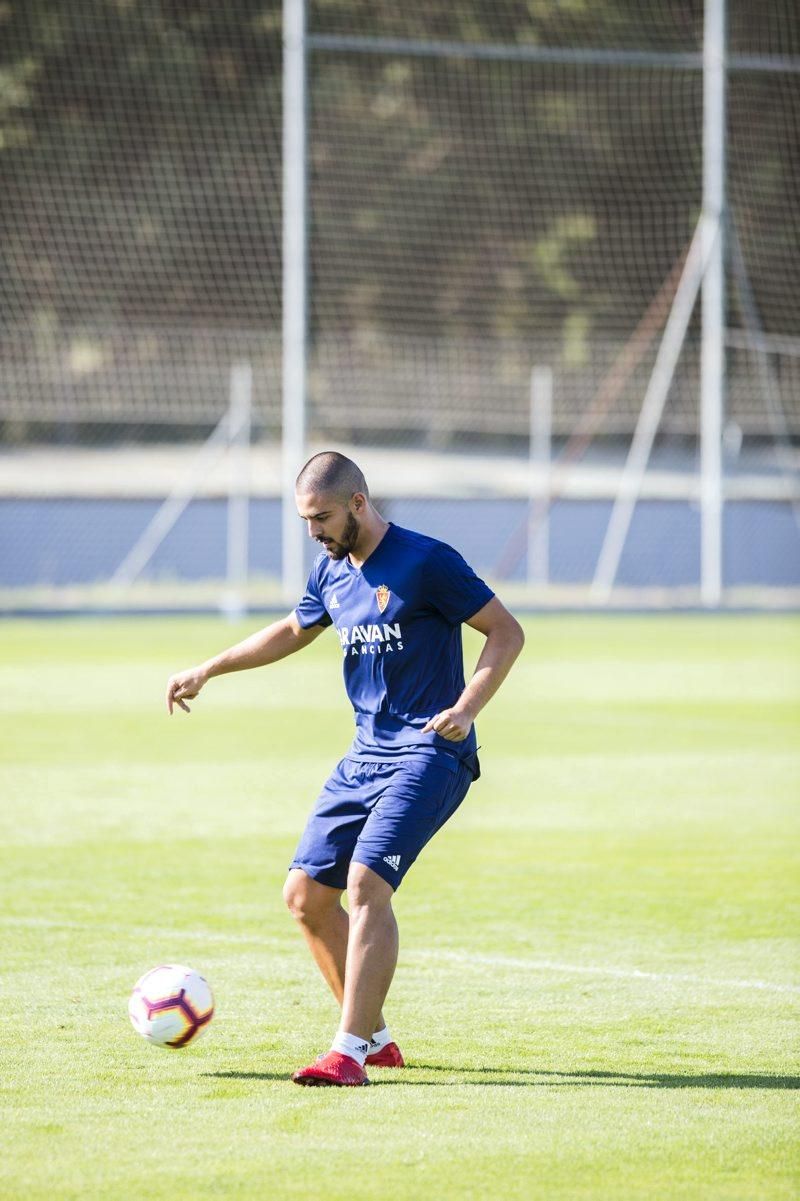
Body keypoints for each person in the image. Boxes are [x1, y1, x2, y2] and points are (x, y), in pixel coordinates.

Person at [166, 451, 524, 1087]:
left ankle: (348, 1052)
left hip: (429, 751)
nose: (314, 532)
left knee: (365, 885)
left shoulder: (426, 560)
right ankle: (377, 1038)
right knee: (304, 898)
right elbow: (291, 630)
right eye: (306, 520)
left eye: (322, 517)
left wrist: (466, 708)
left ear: (359, 503)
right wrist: (209, 668)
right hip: (363, 755)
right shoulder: (330, 571)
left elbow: (504, 631)